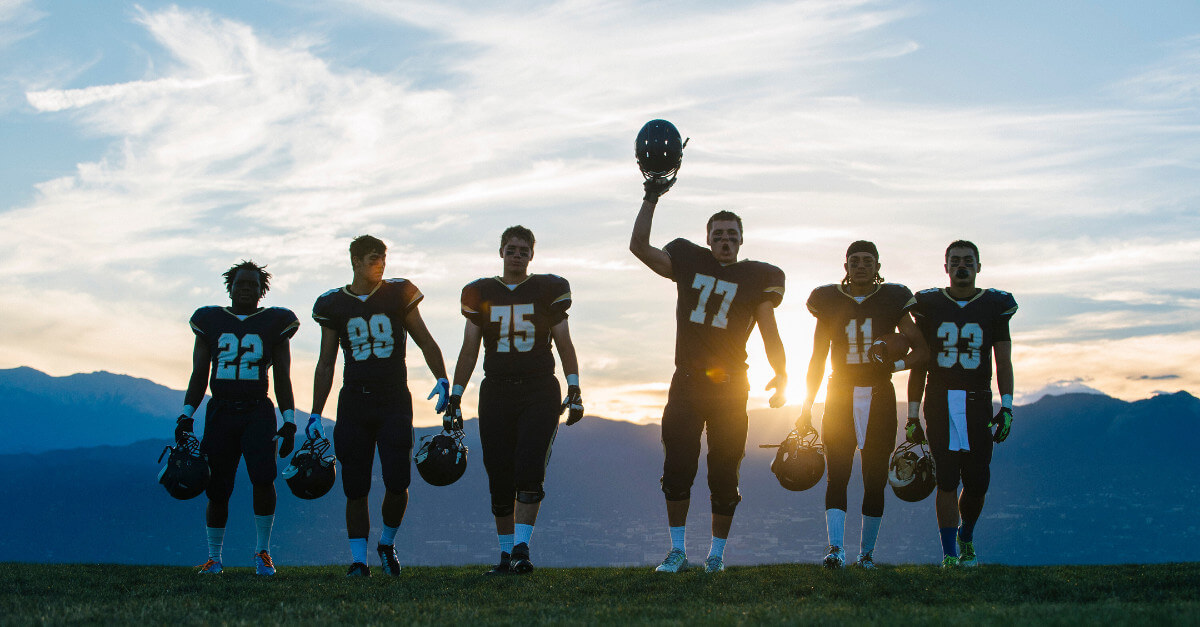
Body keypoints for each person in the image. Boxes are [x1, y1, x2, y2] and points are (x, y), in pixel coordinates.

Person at [630, 177, 788, 574]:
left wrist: (782, 373)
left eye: (732, 235)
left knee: (724, 471)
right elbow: (639, 247)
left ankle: (716, 556)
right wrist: (650, 198)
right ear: (707, 239)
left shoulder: (757, 277)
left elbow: (769, 330)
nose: (725, 240)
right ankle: (678, 551)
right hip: (687, 381)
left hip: (732, 387)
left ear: (741, 240)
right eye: (718, 234)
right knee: (677, 467)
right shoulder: (688, 259)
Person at [308, 235, 451, 577]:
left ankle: (387, 542)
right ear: (355, 261)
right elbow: (326, 362)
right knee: (355, 486)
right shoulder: (333, 303)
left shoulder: (398, 294)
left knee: (398, 481)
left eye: (384, 258)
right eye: (373, 258)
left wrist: (442, 378)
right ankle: (359, 561)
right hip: (354, 400)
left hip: (393, 398)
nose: (381, 264)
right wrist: (315, 411)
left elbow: (425, 340)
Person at [445, 225, 583, 575]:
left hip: (539, 388)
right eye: (512, 249)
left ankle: (521, 548)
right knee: (499, 473)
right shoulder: (481, 292)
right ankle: (507, 555)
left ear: (532, 255)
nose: (517, 255)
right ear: (501, 252)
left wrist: (574, 387)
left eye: (524, 250)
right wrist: (455, 396)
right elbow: (469, 348)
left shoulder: (546, 289)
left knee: (530, 466)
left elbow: (564, 343)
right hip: (496, 389)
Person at [796, 241, 928, 569]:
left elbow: (922, 350)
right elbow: (817, 358)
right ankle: (836, 550)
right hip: (839, 391)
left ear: (878, 266)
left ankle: (866, 554)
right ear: (845, 267)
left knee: (874, 477)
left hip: (879, 391)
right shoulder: (828, 300)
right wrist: (806, 406)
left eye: (867, 261)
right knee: (837, 473)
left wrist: (895, 365)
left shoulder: (893, 298)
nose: (860, 266)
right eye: (854, 261)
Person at [176, 260, 300, 576]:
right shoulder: (210, 320)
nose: (246, 289)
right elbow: (199, 373)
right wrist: (186, 415)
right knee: (217, 486)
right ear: (230, 287)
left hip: (258, 411)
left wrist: (288, 420)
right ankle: (214, 558)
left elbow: (283, 376)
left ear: (262, 290)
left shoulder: (275, 322)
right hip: (220, 410)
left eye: (252, 284)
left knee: (264, 479)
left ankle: (263, 553)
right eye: (240, 283)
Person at [905, 240, 1017, 567]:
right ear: (946, 267)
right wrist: (912, 415)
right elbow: (920, 363)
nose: (961, 266)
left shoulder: (994, 305)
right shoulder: (929, 304)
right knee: (946, 478)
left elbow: (1003, 361)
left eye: (968, 260)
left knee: (977, 480)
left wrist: (1007, 406)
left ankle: (965, 535)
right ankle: (950, 554)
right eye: (955, 261)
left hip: (978, 399)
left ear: (979, 266)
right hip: (939, 398)